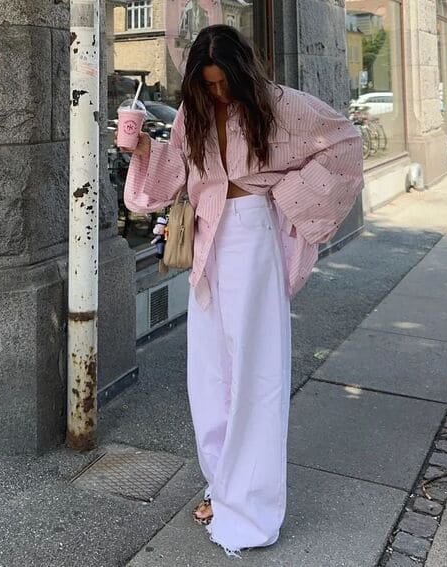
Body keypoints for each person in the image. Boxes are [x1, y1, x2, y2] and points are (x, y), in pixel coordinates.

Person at [119, 24, 364, 556]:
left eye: (223, 82)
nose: (217, 93)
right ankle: (223, 484)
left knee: (256, 374)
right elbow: (179, 173)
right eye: (207, 84)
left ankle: (250, 507)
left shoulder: (281, 106)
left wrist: (286, 195)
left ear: (241, 72)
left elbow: (344, 142)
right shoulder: (194, 112)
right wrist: (142, 146)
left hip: (254, 234)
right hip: (209, 238)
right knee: (208, 373)